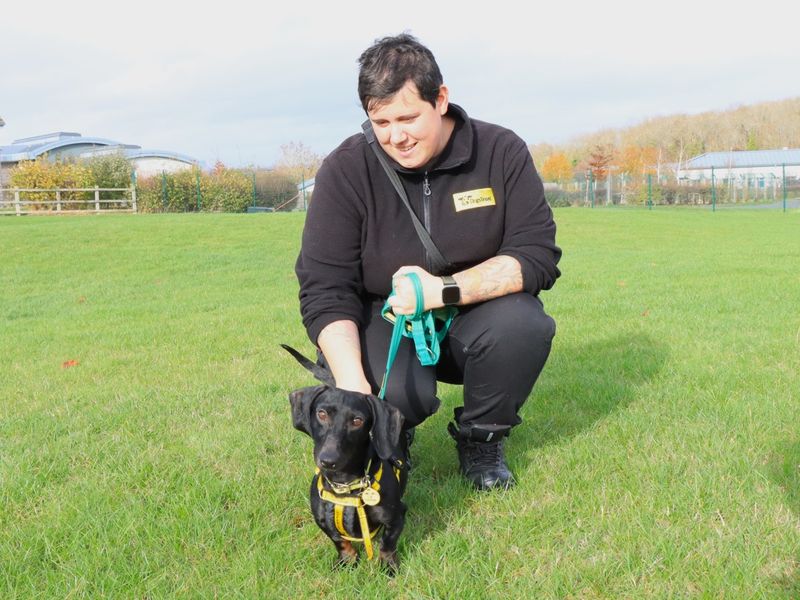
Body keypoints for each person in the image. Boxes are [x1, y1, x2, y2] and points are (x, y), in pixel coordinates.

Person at [294, 33, 561, 490]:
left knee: (524, 325)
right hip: (384, 318)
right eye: (380, 122)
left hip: (474, 316)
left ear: (441, 99)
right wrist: (357, 389)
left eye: (407, 117)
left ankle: (482, 440)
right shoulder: (345, 169)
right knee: (392, 391)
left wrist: (444, 290)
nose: (395, 136)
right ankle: (393, 438)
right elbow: (324, 287)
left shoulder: (500, 152)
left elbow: (536, 256)